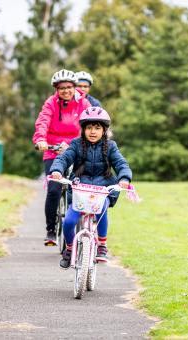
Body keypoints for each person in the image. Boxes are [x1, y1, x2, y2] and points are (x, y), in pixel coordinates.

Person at [49, 107, 132, 269]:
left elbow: (121, 164)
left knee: (101, 210)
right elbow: (64, 158)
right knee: (69, 221)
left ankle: (102, 244)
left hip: (104, 188)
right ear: (83, 129)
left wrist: (124, 178)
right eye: (89, 128)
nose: (93, 131)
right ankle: (69, 248)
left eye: (97, 128)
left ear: (104, 130)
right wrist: (57, 170)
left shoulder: (111, 146)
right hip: (81, 188)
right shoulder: (76, 144)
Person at [33, 69, 91, 246]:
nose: (66, 90)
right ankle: (51, 230)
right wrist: (41, 139)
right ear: (56, 89)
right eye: (61, 88)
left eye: (69, 87)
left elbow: (88, 122)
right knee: (53, 190)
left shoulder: (84, 103)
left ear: (74, 87)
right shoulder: (51, 103)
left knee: (82, 186)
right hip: (53, 150)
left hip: (75, 148)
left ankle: (84, 225)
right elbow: (43, 121)